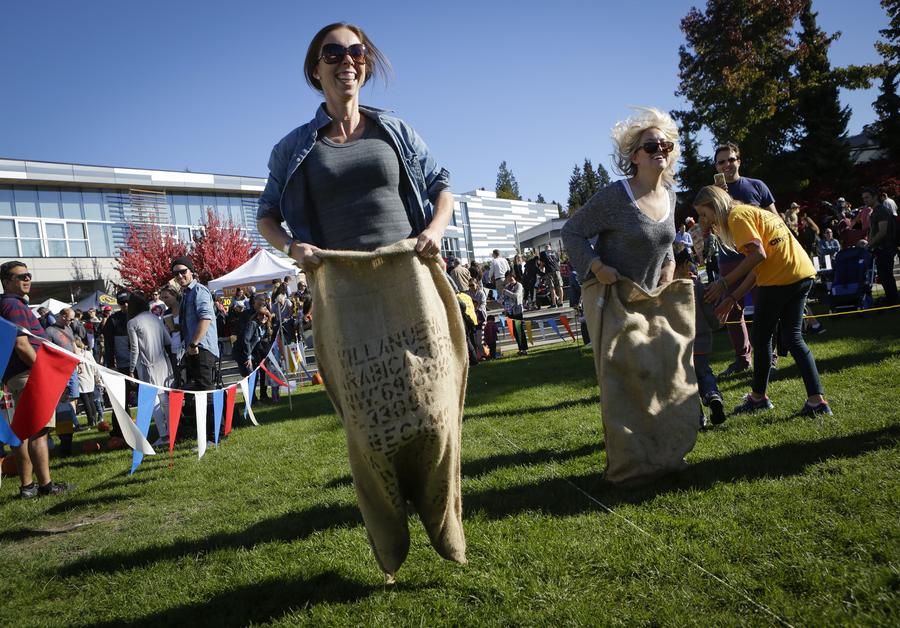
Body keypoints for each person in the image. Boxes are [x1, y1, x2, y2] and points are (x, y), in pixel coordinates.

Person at [254, 22, 462, 577]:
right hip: (344, 293)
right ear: (314, 69)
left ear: (365, 64)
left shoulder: (393, 130)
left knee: (433, 414)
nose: (348, 60)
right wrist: (292, 246)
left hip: (409, 279)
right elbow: (267, 215)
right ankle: (391, 537)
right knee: (371, 428)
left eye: (357, 52)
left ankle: (446, 526)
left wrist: (436, 229)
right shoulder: (295, 148)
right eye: (334, 53)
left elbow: (442, 184)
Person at [696, 185, 831, 416]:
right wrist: (733, 297)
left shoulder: (737, 217)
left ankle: (758, 398)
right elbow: (758, 265)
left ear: (715, 206)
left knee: (762, 339)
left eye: (704, 214)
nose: (704, 221)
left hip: (780, 279)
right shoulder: (749, 212)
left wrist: (724, 283)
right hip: (800, 274)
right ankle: (817, 401)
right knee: (793, 338)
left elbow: (759, 254)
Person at [562, 107, 677, 293]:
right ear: (634, 157)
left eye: (666, 145)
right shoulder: (616, 196)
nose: (660, 150)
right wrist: (597, 268)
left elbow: (663, 237)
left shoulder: (671, 197)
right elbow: (571, 231)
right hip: (613, 305)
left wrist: (670, 264)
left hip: (652, 301)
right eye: (650, 146)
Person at [0, 261, 72, 498]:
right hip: (28, 374)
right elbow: (22, 345)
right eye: (21, 276)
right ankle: (45, 486)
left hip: (16, 376)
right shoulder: (14, 306)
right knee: (38, 431)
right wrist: (43, 371)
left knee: (21, 432)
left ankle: (27, 487)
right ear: (6, 281)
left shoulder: (9, 305)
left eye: (29, 275)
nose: (27, 279)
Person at [713, 141, 777, 379]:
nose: (727, 165)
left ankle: (769, 357)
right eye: (722, 162)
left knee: (765, 308)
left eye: (731, 159)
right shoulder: (715, 193)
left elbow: (774, 218)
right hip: (729, 258)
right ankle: (742, 359)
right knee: (732, 311)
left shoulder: (756, 186)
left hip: (759, 257)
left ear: (738, 160)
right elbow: (708, 225)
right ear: (716, 166)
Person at [673, 249, 725, 427]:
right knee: (704, 372)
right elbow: (710, 312)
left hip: (680, 345)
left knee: (687, 381)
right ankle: (712, 395)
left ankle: (698, 417)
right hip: (702, 341)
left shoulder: (668, 290)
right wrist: (717, 324)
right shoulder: (697, 285)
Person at [171, 255, 220, 443]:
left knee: (206, 394)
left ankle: (214, 436)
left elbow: (205, 318)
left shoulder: (199, 291)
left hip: (202, 349)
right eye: (176, 273)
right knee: (200, 394)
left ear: (191, 271)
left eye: (184, 271)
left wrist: (194, 344)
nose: (180, 275)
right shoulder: (185, 294)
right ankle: (210, 434)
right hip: (193, 350)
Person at [127, 292, 173, 447]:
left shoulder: (132, 322)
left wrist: (131, 368)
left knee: (153, 401)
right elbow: (168, 340)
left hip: (147, 366)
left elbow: (135, 349)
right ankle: (173, 431)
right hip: (163, 363)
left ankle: (165, 434)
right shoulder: (156, 318)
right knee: (164, 399)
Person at [865, 187, 898, 305]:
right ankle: (891, 299)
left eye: (867, 197)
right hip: (880, 248)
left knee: (886, 275)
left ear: (875, 197)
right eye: (863, 198)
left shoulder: (881, 211)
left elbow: (882, 231)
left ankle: (894, 300)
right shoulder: (874, 212)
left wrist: (869, 245)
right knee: (884, 276)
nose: (865, 200)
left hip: (886, 247)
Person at [74, 339, 100, 428]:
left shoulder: (76, 355)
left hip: (82, 380)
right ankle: (94, 420)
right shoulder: (88, 353)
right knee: (91, 401)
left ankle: (91, 421)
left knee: (86, 402)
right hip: (90, 379)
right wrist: (97, 377)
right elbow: (95, 366)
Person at [502, 271, 528, 356]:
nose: (509, 278)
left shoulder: (519, 285)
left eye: (511, 276)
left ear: (514, 276)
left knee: (520, 330)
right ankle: (520, 349)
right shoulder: (507, 286)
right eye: (507, 277)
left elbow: (516, 296)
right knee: (514, 332)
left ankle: (524, 349)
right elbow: (504, 299)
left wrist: (506, 292)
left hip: (517, 311)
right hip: (510, 311)